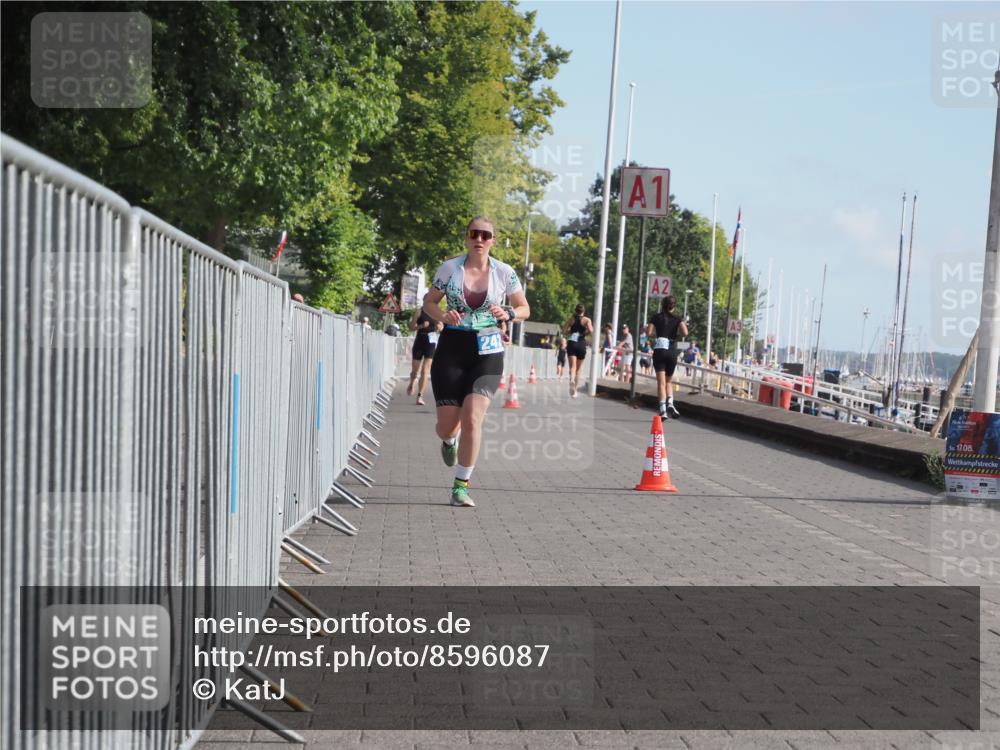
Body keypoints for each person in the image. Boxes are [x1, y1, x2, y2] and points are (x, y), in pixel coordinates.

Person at [422, 217, 530, 507]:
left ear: (493, 240)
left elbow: (524, 308)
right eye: (474, 234)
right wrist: (442, 315)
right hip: (452, 348)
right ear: (467, 238)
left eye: (486, 235)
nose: (479, 239)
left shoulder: (504, 273)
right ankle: (448, 441)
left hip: (488, 348)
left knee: (472, 419)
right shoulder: (449, 268)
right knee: (447, 426)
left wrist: (508, 313)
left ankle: (460, 486)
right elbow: (428, 302)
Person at [646, 295, 688, 419]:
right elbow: (685, 333)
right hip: (671, 350)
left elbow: (648, 333)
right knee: (669, 381)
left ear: (662, 305)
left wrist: (657, 335)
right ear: (673, 307)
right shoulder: (677, 319)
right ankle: (670, 403)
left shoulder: (656, 317)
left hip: (659, 350)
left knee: (661, 383)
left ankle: (663, 410)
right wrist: (676, 333)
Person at [407, 308, 442, 406]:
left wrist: (437, 324)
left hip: (431, 342)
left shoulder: (436, 312)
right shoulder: (419, 312)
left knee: (425, 370)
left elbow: (441, 327)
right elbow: (411, 327)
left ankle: (420, 396)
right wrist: (421, 326)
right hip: (420, 340)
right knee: (415, 370)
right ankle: (412, 382)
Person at [562, 304, 594, 398]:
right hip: (581, 343)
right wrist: (584, 333)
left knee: (572, 367)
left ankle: (571, 380)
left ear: (576, 311)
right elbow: (591, 331)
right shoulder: (587, 320)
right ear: (583, 311)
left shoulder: (571, 319)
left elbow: (564, 330)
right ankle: (575, 390)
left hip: (571, 342)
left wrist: (570, 331)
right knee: (578, 369)